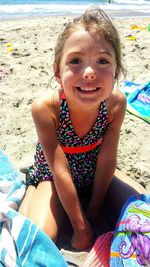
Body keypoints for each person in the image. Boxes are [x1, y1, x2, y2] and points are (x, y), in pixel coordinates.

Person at [19, 6, 145, 251]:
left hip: (94, 169)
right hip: (54, 175)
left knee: (139, 205)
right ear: (58, 72)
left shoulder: (116, 104)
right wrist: (81, 227)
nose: (89, 73)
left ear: (116, 71)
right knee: (43, 234)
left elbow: (107, 158)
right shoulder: (46, 108)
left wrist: (95, 210)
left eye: (102, 61)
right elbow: (59, 169)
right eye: (75, 61)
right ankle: (32, 190)